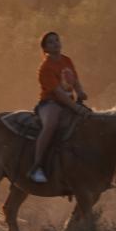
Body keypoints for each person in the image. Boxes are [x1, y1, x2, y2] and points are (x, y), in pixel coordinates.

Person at [29, 31, 88, 184]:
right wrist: (76, 108)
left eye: (57, 40)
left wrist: (80, 92)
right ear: (45, 49)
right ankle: (37, 165)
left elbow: (75, 80)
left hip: (69, 102)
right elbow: (58, 93)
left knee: (91, 122)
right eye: (51, 42)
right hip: (50, 103)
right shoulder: (45, 67)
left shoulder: (67, 60)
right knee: (51, 124)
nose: (55, 43)